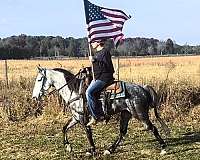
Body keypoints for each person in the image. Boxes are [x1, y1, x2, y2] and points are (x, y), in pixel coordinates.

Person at [86, 40, 115, 126]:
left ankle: (96, 116)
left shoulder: (105, 52)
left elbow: (107, 66)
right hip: (98, 77)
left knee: (89, 92)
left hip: (104, 78)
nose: (91, 44)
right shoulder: (97, 53)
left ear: (98, 42)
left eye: (93, 42)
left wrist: (94, 60)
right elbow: (97, 67)